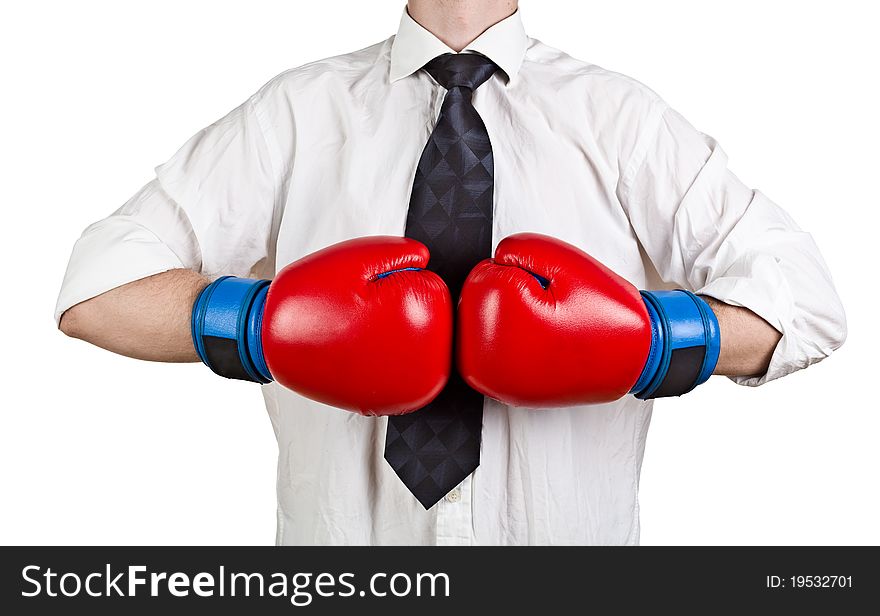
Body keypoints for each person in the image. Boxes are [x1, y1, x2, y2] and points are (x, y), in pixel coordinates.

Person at [55, 1, 846, 545]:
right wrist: (269, 327)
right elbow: (96, 290)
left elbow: (806, 306)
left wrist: (645, 343)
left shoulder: (621, 119)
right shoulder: (295, 112)